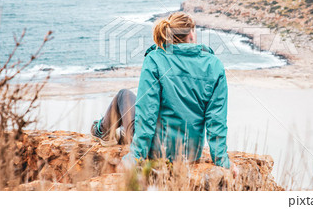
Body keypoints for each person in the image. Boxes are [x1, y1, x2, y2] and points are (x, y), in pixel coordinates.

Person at [91, 12, 233, 170]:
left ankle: (101, 131)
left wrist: (135, 156)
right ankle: (119, 133)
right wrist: (222, 161)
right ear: (191, 34)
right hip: (191, 154)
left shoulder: (154, 59)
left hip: (155, 152)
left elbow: (147, 112)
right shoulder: (215, 65)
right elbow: (216, 121)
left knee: (124, 95)